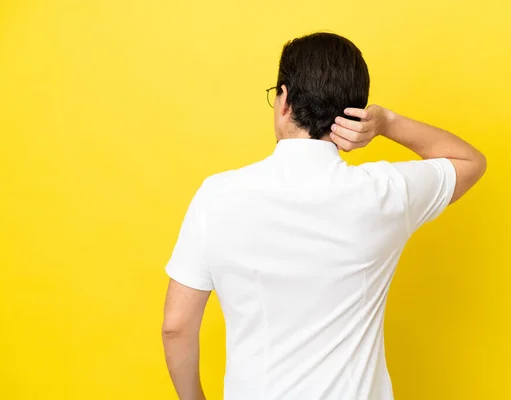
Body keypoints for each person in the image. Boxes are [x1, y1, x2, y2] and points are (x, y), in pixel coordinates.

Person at [161, 32, 486, 400]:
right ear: (354, 113)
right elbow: (470, 161)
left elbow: (176, 327)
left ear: (284, 101)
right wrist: (388, 122)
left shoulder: (216, 196)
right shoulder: (383, 192)